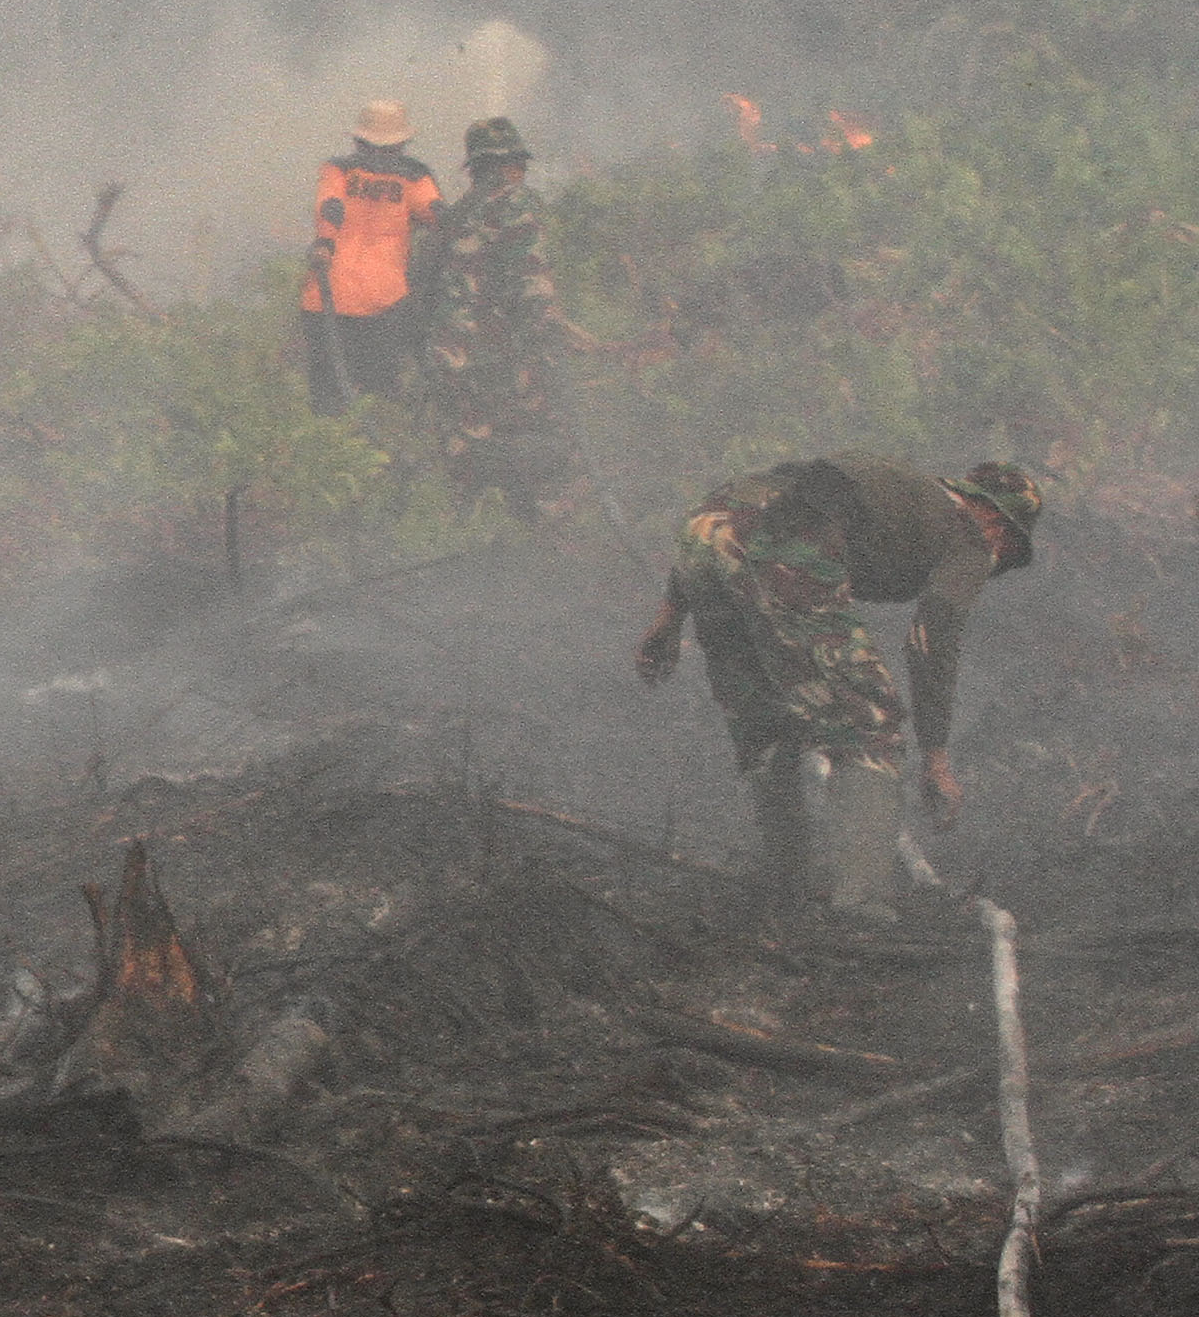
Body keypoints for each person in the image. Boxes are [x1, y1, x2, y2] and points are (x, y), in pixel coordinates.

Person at [634, 455, 1040, 917]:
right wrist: (936, 757)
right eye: (1011, 553)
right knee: (870, 726)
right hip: (786, 543)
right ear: (999, 522)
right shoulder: (972, 536)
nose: (999, 564)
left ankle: (783, 889)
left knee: (767, 722)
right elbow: (931, 641)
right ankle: (861, 905)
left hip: (705, 530)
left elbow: (732, 521)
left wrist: (669, 617)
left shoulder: (909, 496)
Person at [419, 115, 576, 511]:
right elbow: (533, 283)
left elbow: (422, 284)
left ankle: (472, 523)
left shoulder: (454, 216)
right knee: (537, 443)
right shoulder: (518, 204)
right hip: (503, 356)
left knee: (467, 454)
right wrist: (551, 342)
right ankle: (533, 520)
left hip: (449, 354)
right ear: (510, 165)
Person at [297, 97, 443, 412]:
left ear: (358, 139)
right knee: (380, 395)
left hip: (327, 298)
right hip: (383, 302)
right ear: (402, 142)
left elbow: (331, 207)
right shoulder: (414, 176)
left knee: (328, 397)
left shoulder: (338, 169)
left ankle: (329, 440)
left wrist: (325, 244)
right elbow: (437, 216)